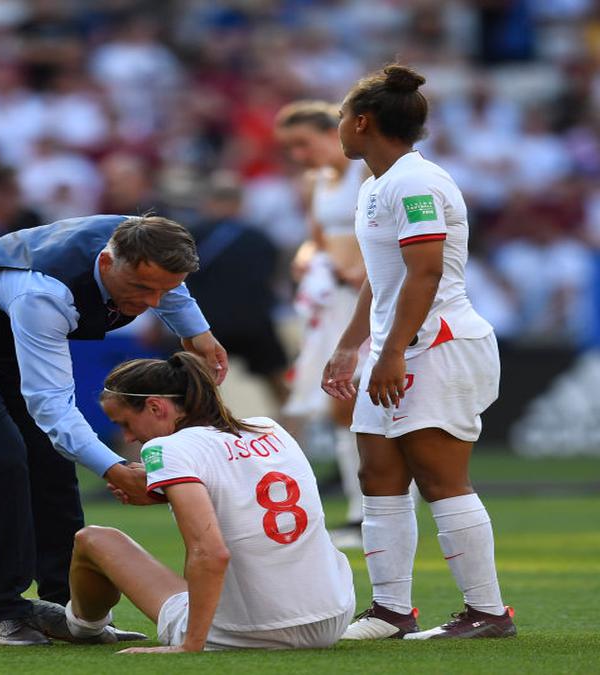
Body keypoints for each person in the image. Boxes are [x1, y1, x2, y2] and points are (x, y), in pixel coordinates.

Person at [0, 214, 229, 646]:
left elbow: (166, 285)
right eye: (141, 289)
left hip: (0, 336)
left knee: (51, 459)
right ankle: (2, 613)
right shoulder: (42, 293)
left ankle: (73, 612)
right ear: (106, 262)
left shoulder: (143, 239)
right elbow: (53, 409)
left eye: (164, 289)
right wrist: (115, 468)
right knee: (2, 461)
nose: (153, 302)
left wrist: (199, 333)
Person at [323, 65, 515, 640]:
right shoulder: (376, 184)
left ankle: (488, 612)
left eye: (340, 118)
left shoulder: (416, 183)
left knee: (439, 477)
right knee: (376, 472)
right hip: (398, 346)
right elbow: (383, 278)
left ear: (361, 122)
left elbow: (425, 271)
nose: (339, 128)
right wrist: (351, 344)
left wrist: (393, 352)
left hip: (437, 345)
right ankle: (390, 611)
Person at [45, 351, 354, 652]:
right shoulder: (269, 428)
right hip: (333, 617)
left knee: (92, 539)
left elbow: (211, 553)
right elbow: (248, 492)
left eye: (126, 423)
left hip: (252, 632)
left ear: (155, 407)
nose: (128, 438)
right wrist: (167, 490)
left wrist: (191, 645)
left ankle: (83, 627)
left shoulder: (166, 448)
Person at [275, 101, 370, 548]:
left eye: (303, 143)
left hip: (366, 302)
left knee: (365, 405)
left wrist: (358, 273)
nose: (297, 154)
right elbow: (315, 243)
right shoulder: (315, 182)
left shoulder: (367, 172)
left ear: (332, 132)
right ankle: (362, 508)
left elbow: (381, 234)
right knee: (340, 406)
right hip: (333, 302)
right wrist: (306, 263)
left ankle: (375, 507)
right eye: (289, 147)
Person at [181, 172, 289, 405]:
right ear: (240, 203)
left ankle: (193, 433)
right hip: (254, 323)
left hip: (205, 325)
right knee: (278, 385)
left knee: (191, 385)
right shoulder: (260, 238)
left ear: (208, 201)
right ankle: (295, 433)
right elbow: (273, 279)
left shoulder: (191, 234)